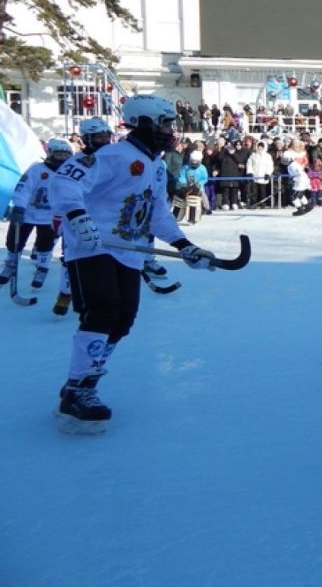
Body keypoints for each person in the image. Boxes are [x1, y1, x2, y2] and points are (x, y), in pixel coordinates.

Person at [48, 95, 216, 434]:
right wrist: (78, 217)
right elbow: (64, 181)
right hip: (93, 247)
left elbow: (157, 213)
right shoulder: (111, 155)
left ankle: (83, 381)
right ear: (143, 123)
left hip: (128, 250)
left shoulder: (154, 164)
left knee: (123, 319)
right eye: (165, 123)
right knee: (103, 310)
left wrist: (184, 246)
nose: (170, 130)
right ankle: (78, 391)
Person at [53, 118, 113, 315]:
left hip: (107, 220)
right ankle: (66, 293)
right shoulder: (78, 162)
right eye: (99, 137)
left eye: (106, 136)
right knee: (73, 256)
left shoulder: (113, 158)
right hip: (80, 220)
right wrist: (63, 217)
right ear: (87, 139)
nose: (104, 141)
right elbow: (63, 191)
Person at [0, 138, 73, 290]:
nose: (63, 159)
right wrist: (19, 207)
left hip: (50, 217)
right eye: (59, 155)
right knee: (15, 241)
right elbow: (23, 188)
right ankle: (11, 264)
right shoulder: (36, 170)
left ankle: (42, 267)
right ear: (50, 154)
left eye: (66, 155)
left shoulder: (69, 172)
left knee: (45, 244)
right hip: (27, 213)